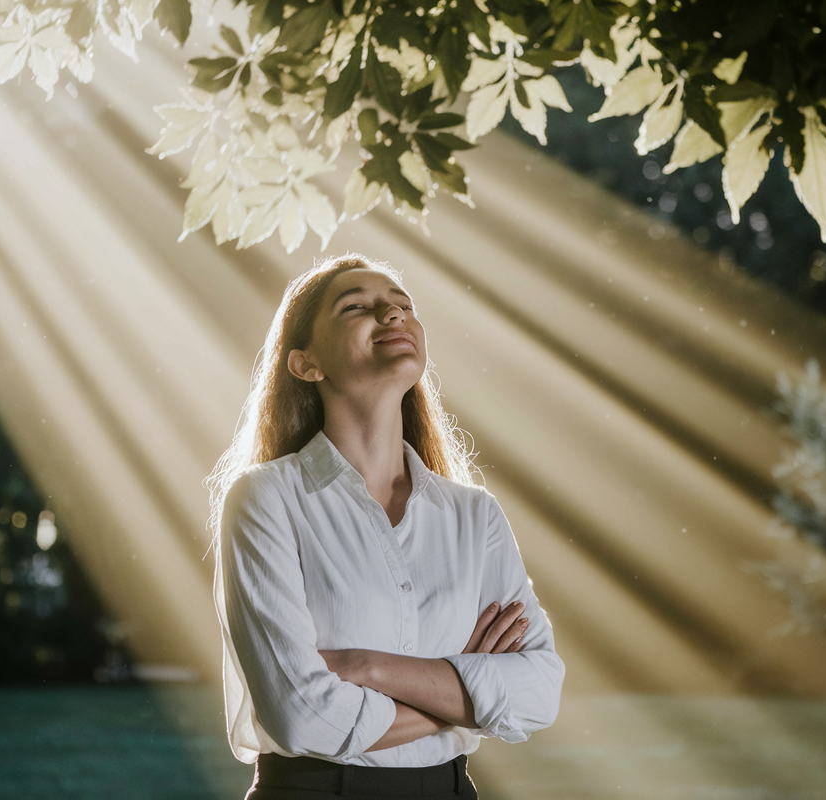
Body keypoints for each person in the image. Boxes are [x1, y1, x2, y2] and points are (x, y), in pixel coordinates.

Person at [206, 254, 565, 798]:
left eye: (403, 305)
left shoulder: (475, 515)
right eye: (358, 306)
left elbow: (539, 692)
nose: (393, 315)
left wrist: (364, 667)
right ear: (306, 364)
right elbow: (303, 717)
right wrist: (470, 692)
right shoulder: (266, 498)